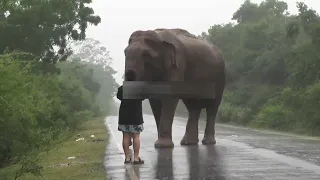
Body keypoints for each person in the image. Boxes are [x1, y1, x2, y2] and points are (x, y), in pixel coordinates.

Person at [116, 81, 145, 164]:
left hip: (124, 116)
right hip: (136, 116)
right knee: (136, 137)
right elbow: (143, 97)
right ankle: (136, 158)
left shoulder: (122, 88)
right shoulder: (139, 89)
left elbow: (119, 97)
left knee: (125, 136)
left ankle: (127, 158)